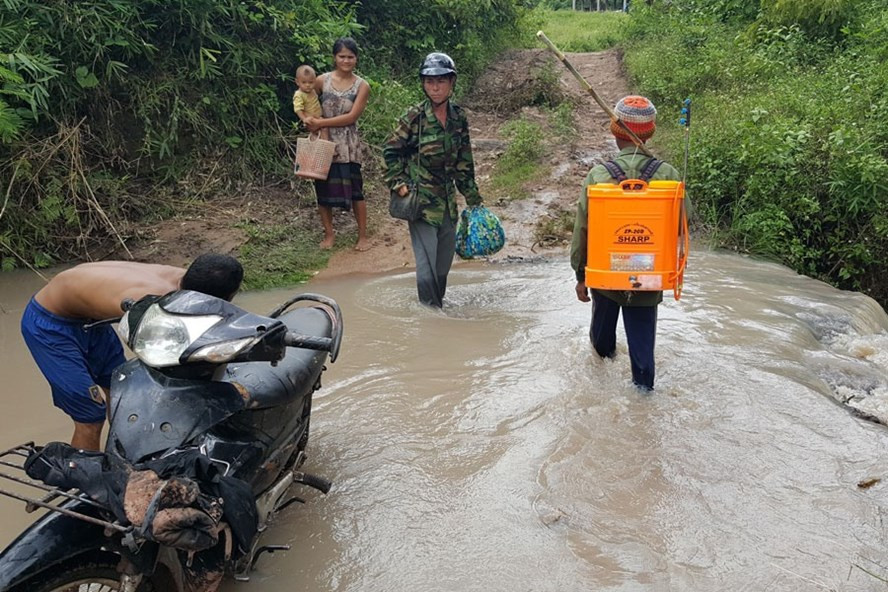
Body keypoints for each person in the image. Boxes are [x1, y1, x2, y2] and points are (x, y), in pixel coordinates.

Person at [20, 254, 244, 450]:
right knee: (90, 414)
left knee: (120, 391)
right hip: (50, 326)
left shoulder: (189, 279)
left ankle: (119, 454)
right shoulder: (151, 300)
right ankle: (85, 488)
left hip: (91, 321)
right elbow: (155, 355)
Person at [570, 95, 681, 390]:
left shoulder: (599, 175)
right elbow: (683, 224)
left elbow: (583, 229)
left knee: (601, 346)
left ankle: (599, 391)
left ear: (615, 131)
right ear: (650, 132)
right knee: (643, 358)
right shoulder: (668, 174)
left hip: (605, 276)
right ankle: (643, 398)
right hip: (648, 276)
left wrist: (581, 275)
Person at [382, 52, 484, 308]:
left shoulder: (458, 117)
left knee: (443, 263)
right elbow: (390, 151)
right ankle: (430, 313)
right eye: (429, 81)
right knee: (426, 264)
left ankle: (437, 307)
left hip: (448, 201)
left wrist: (473, 198)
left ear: (452, 83)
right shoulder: (414, 117)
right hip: (422, 201)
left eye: (441, 81)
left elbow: (464, 160)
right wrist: (398, 183)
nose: (435, 87)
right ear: (423, 84)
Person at [308, 37, 371, 251]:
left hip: (348, 144)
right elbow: (306, 100)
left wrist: (320, 121)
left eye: (350, 57)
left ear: (356, 59)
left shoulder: (362, 86)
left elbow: (351, 117)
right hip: (323, 140)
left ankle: (362, 236)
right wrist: (308, 119)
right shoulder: (321, 81)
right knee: (322, 189)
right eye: (342, 56)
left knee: (356, 191)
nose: (346, 60)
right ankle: (329, 234)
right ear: (334, 57)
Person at [292, 64, 330, 141]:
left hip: (318, 117)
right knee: (324, 129)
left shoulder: (312, 91)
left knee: (318, 134)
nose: (308, 85)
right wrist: (304, 119)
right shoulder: (299, 94)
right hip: (310, 119)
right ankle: (326, 147)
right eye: (304, 82)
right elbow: (298, 109)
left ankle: (322, 147)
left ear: (315, 81)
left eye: (311, 82)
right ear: (297, 82)